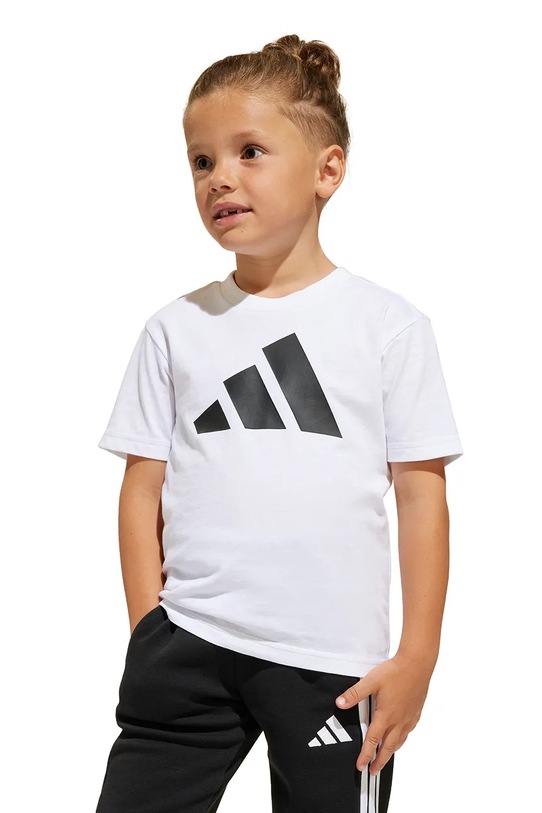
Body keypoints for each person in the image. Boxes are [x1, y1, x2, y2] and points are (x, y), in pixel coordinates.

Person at [94, 34, 463, 813]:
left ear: (328, 169)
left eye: (250, 151)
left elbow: (421, 494)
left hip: (333, 665)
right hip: (186, 644)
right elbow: (141, 489)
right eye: (201, 160)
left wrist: (419, 654)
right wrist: (147, 630)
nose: (219, 177)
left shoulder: (388, 327)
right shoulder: (175, 329)